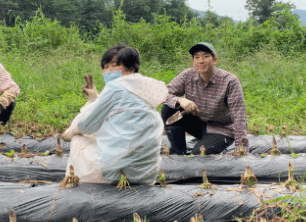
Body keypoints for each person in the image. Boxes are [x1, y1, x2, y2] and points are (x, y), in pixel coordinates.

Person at [61, 45, 167, 184]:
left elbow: (86, 124)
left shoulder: (115, 87)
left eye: (114, 66)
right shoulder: (143, 90)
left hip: (115, 172)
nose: (108, 71)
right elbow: (118, 108)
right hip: (146, 176)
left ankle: (75, 183)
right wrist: (95, 98)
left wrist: (70, 132)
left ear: (130, 68)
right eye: (105, 67)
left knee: (77, 138)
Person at [162, 42, 248, 155]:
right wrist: (181, 100)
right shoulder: (187, 75)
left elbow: (239, 116)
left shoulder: (229, 81)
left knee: (199, 154)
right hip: (197, 124)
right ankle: (178, 153)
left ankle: (211, 144)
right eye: (197, 57)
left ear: (215, 60)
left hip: (221, 129)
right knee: (169, 108)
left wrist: (241, 148)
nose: (201, 61)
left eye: (206, 56)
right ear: (193, 61)